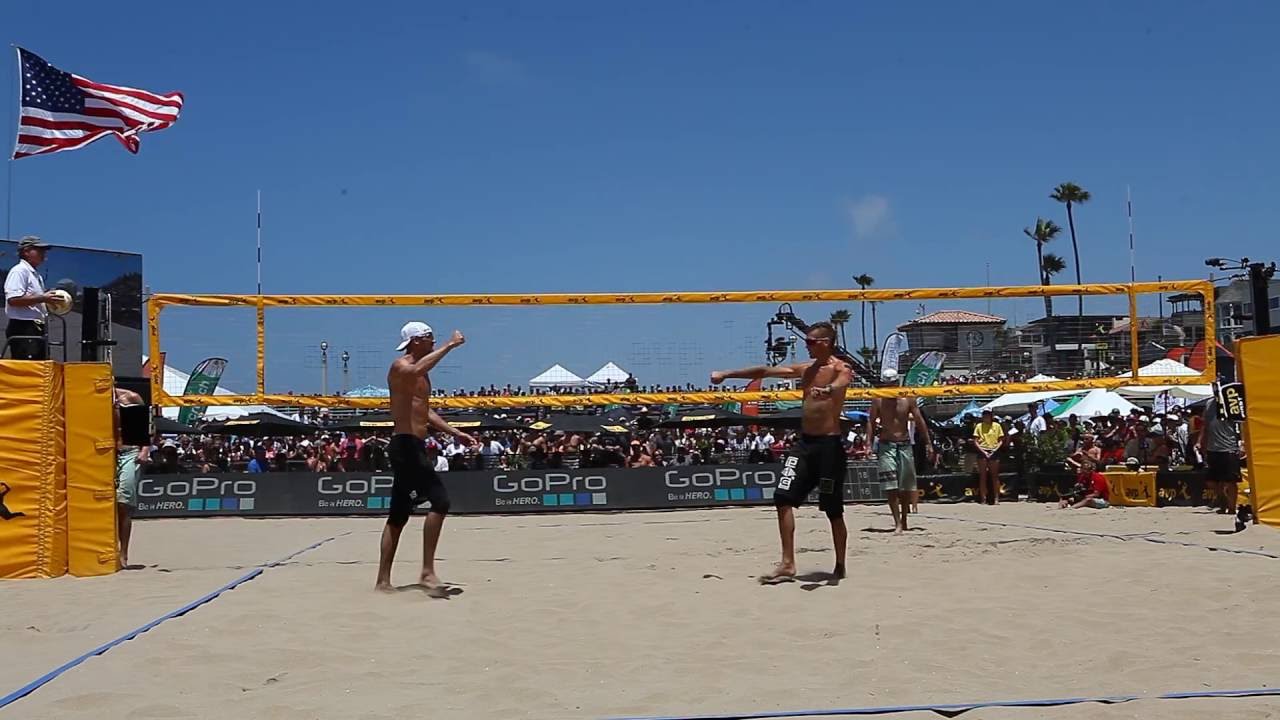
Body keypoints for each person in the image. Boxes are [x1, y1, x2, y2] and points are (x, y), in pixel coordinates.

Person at [710, 321, 852, 582]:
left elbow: (842, 381)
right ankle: (787, 564)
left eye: (810, 342)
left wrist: (828, 389)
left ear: (825, 342)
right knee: (782, 497)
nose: (806, 346)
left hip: (829, 447)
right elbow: (765, 370)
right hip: (805, 444)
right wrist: (727, 373)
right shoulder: (805, 368)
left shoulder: (840, 368)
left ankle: (840, 563)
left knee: (832, 510)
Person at [374, 322, 476, 593]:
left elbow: (425, 412)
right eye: (430, 338)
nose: (434, 342)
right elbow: (416, 369)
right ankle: (427, 572)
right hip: (404, 445)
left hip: (414, 444)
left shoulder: (423, 374)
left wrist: (455, 432)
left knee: (398, 516)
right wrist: (450, 345)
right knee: (440, 501)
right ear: (416, 341)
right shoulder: (401, 366)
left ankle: (383, 581)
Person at [868, 390, 935, 534]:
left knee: (905, 487)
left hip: (904, 445)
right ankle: (897, 522)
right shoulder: (878, 399)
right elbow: (871, 421)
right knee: (890, 486)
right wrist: (868, 444)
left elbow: (919, 420)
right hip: (886, 444)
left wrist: (928, 443)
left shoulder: (908, 399)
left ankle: (904, 519)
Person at [4, 236, 59, 360]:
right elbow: (13, 300)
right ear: (26, 251)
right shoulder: (19, 271)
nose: (43, 254)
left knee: (39, 367)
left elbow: (36, 300)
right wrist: (42, 298)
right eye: (39, 250)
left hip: (36, 328)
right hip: (23, 327)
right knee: (27, 367)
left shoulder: (35, 275)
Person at [113, 387, 150, 568]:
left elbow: (148, 426)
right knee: (105, 504)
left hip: (130, 452)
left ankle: (123, 553)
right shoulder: (93, 398)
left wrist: (145, 451)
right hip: (107, 453)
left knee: (124, 503)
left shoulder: (130, 397)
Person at [1198, 394, 1242, 515]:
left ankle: (1232, 508)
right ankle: (1223, 502)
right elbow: (1205, 425)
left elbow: (1240, 423)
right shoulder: (1209, 403)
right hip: (1213, 448)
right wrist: (1201, 442)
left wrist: (1242, 443)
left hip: (1229, 447)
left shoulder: (1231, 400)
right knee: (1212, 481)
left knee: (1230, 481)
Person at [972, 409, 1004, 505]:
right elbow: (975, 441)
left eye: (988, 415)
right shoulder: (979, 426)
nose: (986, 416)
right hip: (983, 450)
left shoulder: (997, 426)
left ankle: (996, 498)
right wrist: (983, 451)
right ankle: (983, 498)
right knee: (983, 476)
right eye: (985, 415)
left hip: (994, 450)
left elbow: (1001, 440)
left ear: (991, 416)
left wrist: (995, 449)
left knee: (995, 476)